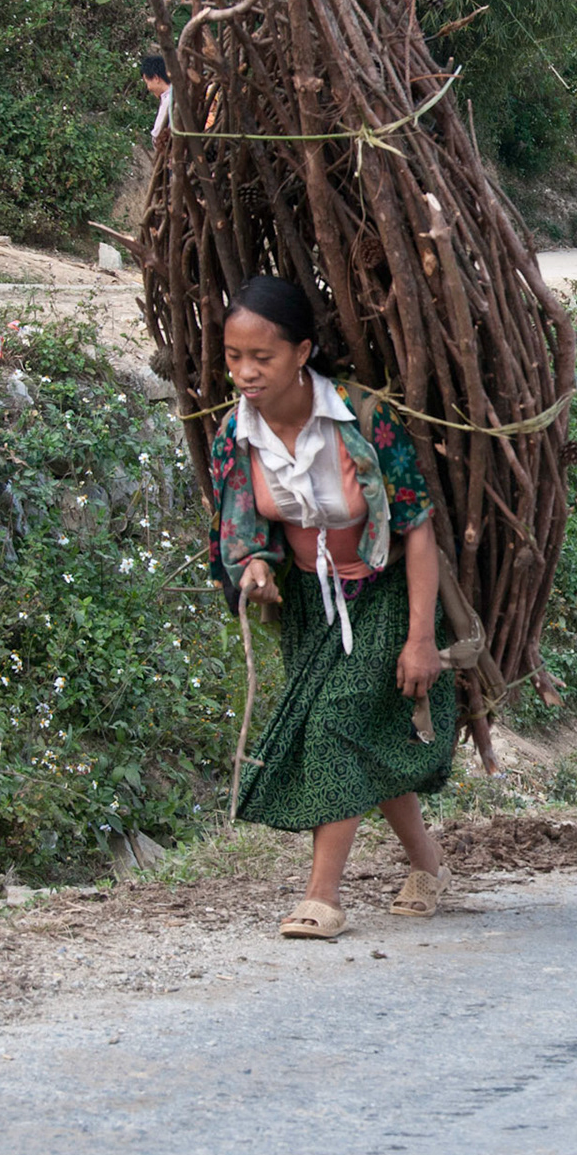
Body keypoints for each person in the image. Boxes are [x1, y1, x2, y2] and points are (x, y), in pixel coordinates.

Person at [208, 276, 457, 938]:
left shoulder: (363, 417)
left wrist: (420, 638)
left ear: (302, 352)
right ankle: (429, 865)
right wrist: (255, 567)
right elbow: (239, 532)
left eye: (262, 356)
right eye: (234, 356)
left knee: (337, 722)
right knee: (360, 739)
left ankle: (322, 896)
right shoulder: (236, 432)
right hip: (311, 606)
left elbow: (418, 528)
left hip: (382, 590)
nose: (246, 371)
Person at [141, 55, 172, 143]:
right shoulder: (171, 96)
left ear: (156, 78)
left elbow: (158, 133)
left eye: (147, 82)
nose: (148, 87)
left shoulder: (169, 100)